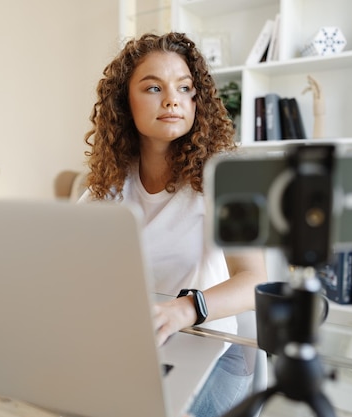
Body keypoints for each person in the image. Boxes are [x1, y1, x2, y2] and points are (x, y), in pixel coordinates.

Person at [79, 32, 267, 417]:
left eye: (185, 87)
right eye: (153, 87)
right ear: (123, 103)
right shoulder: (110, 184)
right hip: (135, 343)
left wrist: (185, 309)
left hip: (211, 344)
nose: (172, 99)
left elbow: (254, 282)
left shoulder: (226, 180)